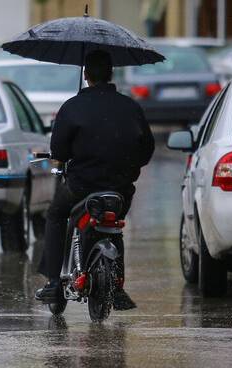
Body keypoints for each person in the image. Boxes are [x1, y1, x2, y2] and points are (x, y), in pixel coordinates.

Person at [35, 50, 155, 311]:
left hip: (81, 188)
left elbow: (59, 152)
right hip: (120, 191)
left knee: (56, 214)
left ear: (85, 74)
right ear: (111, 74)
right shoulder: (131, 107)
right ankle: (118, 287)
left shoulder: (72, 107)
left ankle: (54, 282)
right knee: (115, 227)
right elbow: (146, 151)